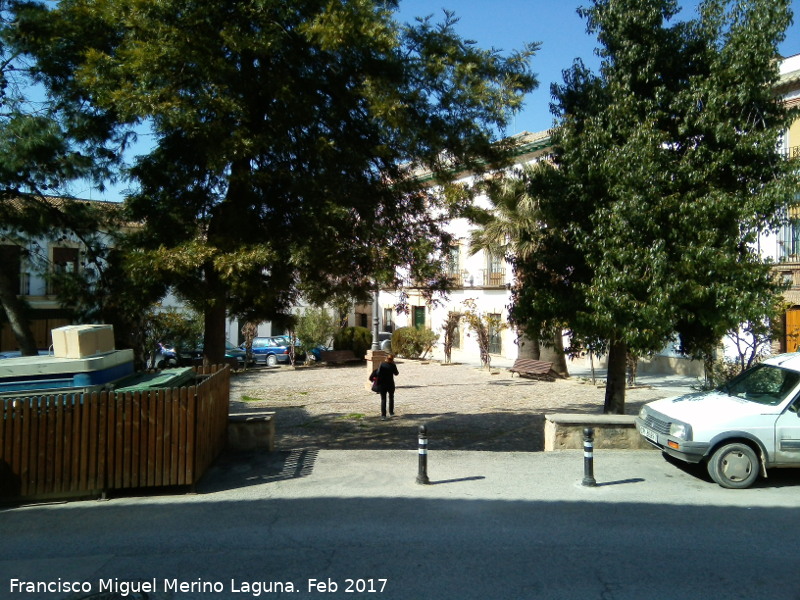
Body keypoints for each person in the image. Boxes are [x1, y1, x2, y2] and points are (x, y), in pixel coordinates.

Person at [371, 354, 399, 419]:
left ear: (386, 358)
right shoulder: (393, 365)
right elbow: (396, 373)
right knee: (391, 398)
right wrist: (393, 365)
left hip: (382, 384)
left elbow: (378, 373)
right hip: (390, 384)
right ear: (392, 359)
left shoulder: (382, 364)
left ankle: (383, 415)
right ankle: (391, 412)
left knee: (383, 399)